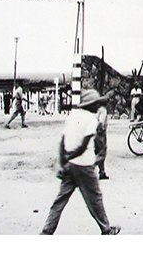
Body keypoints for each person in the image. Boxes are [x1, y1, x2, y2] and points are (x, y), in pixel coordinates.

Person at [40, 89, 120, 235]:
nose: (97, 107)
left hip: (70, 166)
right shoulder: (90, 119)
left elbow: (63, 141)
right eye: (96, 104)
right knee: (95, 199)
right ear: (91, 105)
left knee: (60, 200)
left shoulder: (72, 116)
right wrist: (75, 157)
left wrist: (63, 160)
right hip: (84, 165)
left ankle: (47, 230)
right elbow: (84, 146)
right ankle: (106, 229)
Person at [94, 95, 109, 180]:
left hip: (94, 132)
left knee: (96, 151)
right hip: (100, 133)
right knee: (101, 152)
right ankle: (101, 171)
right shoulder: (103, 111)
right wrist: (101, 130)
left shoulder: (97, 110)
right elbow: (101, 122)